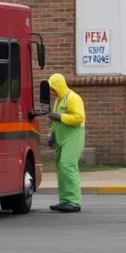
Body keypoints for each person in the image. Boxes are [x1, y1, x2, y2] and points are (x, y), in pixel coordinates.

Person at [46, 73, 85, 213]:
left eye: (54, 88)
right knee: (61, 167)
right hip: (62, 138)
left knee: (67, 165)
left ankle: (73, 201)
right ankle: (64, 200)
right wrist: (52, 135)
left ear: (60, 85)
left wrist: (59, 116)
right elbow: (55, 122)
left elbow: (79, 117)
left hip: (73, 137)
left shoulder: (72, 98)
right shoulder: (58, 100)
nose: (52, 91)